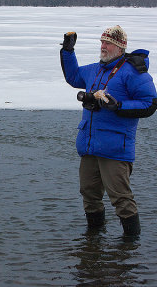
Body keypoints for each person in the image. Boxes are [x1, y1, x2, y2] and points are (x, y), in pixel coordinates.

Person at [60, 25, 157, 236]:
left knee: (121, 199)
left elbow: (149, 103)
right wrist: (68, 51)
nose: (103, 46)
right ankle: (93, 239)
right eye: (102, 42)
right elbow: (73, 76)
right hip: (90, 145)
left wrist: (119, 105)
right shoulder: (95, 69)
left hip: (115, 148)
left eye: (108, 43)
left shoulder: (134, 72)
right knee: (89, 194)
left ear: (120, 47)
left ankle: (130, 247)